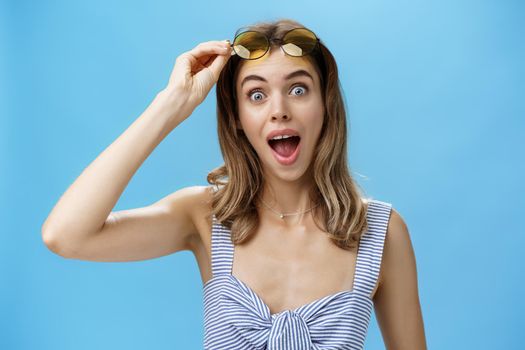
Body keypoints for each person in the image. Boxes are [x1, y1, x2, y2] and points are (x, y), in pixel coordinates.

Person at [42, 18, 427, 350]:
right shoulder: (205, 216)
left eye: (298, 89)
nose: (279, 110)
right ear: (238, 118)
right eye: (256, 95)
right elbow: (65, 235)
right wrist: (170, 106)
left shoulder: (381, 232)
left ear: (325, 105)